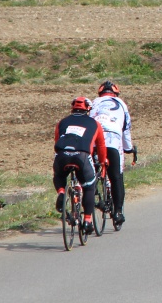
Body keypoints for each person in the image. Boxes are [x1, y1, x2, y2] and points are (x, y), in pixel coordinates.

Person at [53, 96, 107, 236]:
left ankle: (61, 192)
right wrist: (102, 162)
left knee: (59, 175)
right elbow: (101, 146)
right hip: (82, 156)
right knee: (89, 186)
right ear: (88, 109)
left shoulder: (62, 122)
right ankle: (88, 221)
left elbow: (57, 141)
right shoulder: (95, 124)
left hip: (62, 154)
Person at [90, 81, 135, 227]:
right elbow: (126, 128)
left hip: (95, 140)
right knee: (116, 177)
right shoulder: (121, 104)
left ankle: (94, 199)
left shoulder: (94, 103)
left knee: (89, 174)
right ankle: (118, 212)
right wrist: (128, 148)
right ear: (116, 93)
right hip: (112, 141)